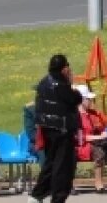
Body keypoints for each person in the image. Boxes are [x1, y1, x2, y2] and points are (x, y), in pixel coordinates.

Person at [28, 53, 82, 203]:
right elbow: (75, 99)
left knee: (50, 164)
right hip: (62, 131)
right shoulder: (61, 84)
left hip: (47, 130)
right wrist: (72, 85)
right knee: (63, 168)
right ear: (64, 68)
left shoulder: (44, 82)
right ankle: (57, 198)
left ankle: (36, 195)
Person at [73, 85, 107, 193]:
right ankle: (98, 182)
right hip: (82, 145)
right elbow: (78, 137)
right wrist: (97, 137)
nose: (91, 101)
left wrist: (104, 133)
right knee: (99, 152)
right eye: (88, 99)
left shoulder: (94, 114)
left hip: (97, 142)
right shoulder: (74, 115)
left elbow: (101, 127)